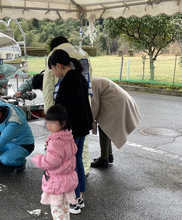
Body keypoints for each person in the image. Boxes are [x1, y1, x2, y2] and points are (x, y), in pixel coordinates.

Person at [48, 49, 93, 214]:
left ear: (58, 66)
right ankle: (79, 198)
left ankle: (73, 201)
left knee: (69, 167)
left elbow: (65, 111)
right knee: (77, 163)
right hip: (82, 128)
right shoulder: (79, 77)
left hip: (71, 131)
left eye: (53, 69)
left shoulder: (67, 82)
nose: (54, 73)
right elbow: (84, 105)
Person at [44, 36, 93, 178]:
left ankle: (75, 195)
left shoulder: (56, 57)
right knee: (80, 153)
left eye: (53, 69)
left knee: (69, 159)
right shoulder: (83, 54)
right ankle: (85, 169)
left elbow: (48, 89)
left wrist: (51, 119)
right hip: (84, 112)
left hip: (68, 121)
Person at [32, 105, 78, 220]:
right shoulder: (68, 136)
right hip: (67, 181)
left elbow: (51, 162)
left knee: (57, 212)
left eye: (53, 123)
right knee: (65, 209)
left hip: (57, 183)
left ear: (63, 123)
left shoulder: (55, 141)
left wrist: (38, 159)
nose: (49, 126)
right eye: (47, 122)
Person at [90, 77, 141, 167]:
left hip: (119, 104)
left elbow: (94, 106)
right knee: (106, 128)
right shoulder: (94, 80)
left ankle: (104, 159)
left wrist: (89, 121)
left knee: (104, 128)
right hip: (122, 101)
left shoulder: (92, 84)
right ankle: (108, 155)